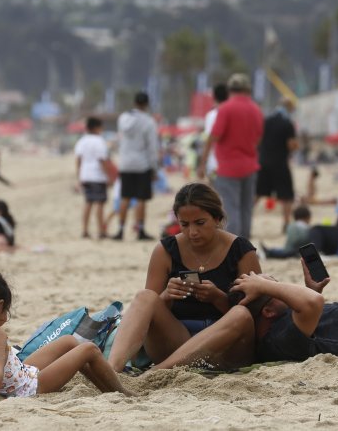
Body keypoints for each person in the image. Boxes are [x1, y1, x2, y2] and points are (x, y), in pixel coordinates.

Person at [107, 183, 262, 372]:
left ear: (217, 218)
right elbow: (148, 312)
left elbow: (256, 315)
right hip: (177, 342)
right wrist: (167, 296)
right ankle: (112, 370)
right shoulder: (166, 250)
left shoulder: (241, 250)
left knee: (240, 314)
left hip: (226, 347)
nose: (192, 232)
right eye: (184, 225)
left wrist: (217, 297)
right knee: (145, 296)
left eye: (200, 223)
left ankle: (156, 372)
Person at [0, 270, 130, 404]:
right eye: (6, 310)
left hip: (19, 374)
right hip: (29, 388)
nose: (6, 317)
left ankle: (105, 389)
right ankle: (122, 393)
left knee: (69, 342)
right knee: (89, 349)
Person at [198, 73, 264, 239]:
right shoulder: (256, 109)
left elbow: (214, 137)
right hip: (250, 165)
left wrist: (202, 163)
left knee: (231, 209)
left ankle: (233, 248)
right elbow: (258, 137)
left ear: (230, 89)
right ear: (248, 89)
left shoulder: (225, 109)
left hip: (228, 167)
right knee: (246, 209)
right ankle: (245, 244)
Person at [113, 91, 160, 241]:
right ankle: (140, 230)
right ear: (146, 105)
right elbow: (152, 147)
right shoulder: (149, 121)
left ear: (134, 102)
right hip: (142, 164)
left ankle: (120, 230)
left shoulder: (122, 118)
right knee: (141, 199)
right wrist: (154, 168)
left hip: (125, 163)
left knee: (125, 197)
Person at [255, 98, 298, 232]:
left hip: (263, 162)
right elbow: (291, 145)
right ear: (289, 108)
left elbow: (257, 140)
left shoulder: (265, 121)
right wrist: (296, 147)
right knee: (287, 195)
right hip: (280, 163)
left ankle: (244, 218)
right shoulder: (287, 123)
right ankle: (286, 223)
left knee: (257, 193)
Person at [74, 116, 113, 239]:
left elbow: (78, 160)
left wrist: (79, 176)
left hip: (85, 175)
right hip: (98, 176)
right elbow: (103, 160)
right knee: (100, 203)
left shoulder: (82, 141)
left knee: (88, 203)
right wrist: (109, 176)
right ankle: (101, 230)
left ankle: (85, 230)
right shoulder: (99, 141)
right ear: (97, 127)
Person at [202, 83, 229, 184]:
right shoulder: (233, 113)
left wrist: (202, 164)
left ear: (214, 97)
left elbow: (209, 140)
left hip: (214, 163)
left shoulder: (211, 115)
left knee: (214, 197)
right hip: (230, 164)